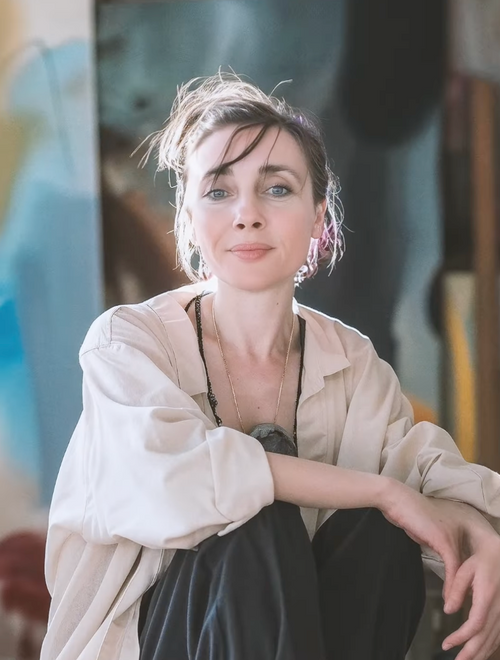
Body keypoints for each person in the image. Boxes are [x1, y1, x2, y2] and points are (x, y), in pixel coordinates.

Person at [41, 74, 500, 660]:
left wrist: (477, 529)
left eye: (277, 189)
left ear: (318, 218)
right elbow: (177, 480)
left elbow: (429, 477)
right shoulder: (128, 342)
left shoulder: (352, 362)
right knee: (257, 522)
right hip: (156, 643)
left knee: (381, 533)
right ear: (188, 219)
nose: (247, 214)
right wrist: (382, 490)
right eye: (218, 191)